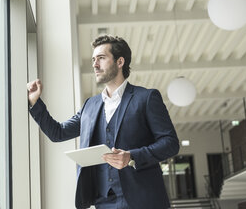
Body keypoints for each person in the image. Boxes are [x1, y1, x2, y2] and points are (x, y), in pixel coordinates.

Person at [27, 35, 180, 209]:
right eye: (93, 59)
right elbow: (58, 133)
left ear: (120, 61)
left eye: (101, 58)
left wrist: (132, 156)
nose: (95, 64)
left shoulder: (146, 98)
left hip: (143, 200)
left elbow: (171, 143)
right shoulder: (90, 106)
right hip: (103, 201)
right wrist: (35, 102)